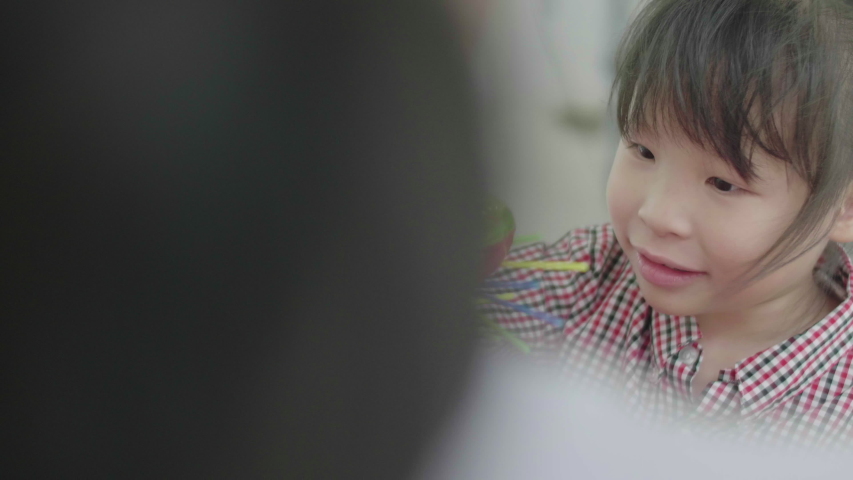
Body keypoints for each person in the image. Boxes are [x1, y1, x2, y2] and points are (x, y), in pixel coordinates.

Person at [481, 0, 853, 448]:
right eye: (642, 150)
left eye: (722, 183)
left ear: (844, 206)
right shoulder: (584, 277)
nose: (656, 214)